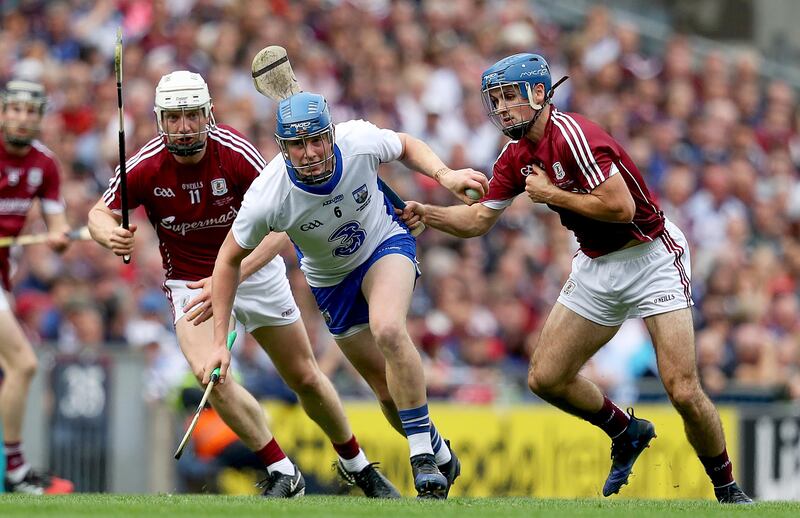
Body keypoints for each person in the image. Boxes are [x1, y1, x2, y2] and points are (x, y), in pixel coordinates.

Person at [400, 53, 752, 504]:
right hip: (596, 265)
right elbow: (477, 222)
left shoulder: (573, 136)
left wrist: (551, 193)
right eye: (496, 100)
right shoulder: (513, 155)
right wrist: (427, 213)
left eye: (511, 97)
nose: (502, 108)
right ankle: (625, 432)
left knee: (682, 389)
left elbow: (621, 208)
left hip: (651, 256)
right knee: (546, 378)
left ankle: (728, 490)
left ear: (540, 94)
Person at [88, 71, 398, 498]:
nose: (184, 128)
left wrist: (234, 273)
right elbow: (98, 214)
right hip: (190, 285)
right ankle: (281, 470)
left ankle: (357, 464)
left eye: (193, 116)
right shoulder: (143, 166)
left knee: (304, 377)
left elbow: (280, 228)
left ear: (208, 113)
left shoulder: (234, 153)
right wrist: (108, 233)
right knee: (209, 375)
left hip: (254, 271)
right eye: (174, 118)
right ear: (161, 120)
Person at [206, 91, 488, 499]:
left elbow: (406, 145)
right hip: (330, 281)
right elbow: (228, 260)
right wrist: (219, 342)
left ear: (331, 135)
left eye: (317, 140)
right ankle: (439, 449)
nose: (309, 153)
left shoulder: (357, 141)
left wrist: (446, 176)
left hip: (383, 245)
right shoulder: (270, 193)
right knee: (387, 393)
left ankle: (422, 457)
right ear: (282, 147)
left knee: (388, 328)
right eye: (297, 144)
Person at [0, 79, 74, 494]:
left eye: (31, 111)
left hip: (3, 278)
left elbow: (57, 223)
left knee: (19, 367)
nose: (23, 118)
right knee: (23, 364)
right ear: (3, 113)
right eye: (15, 110)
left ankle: (14, 469)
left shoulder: (44, 165)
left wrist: (58, 237)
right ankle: (15, 471)